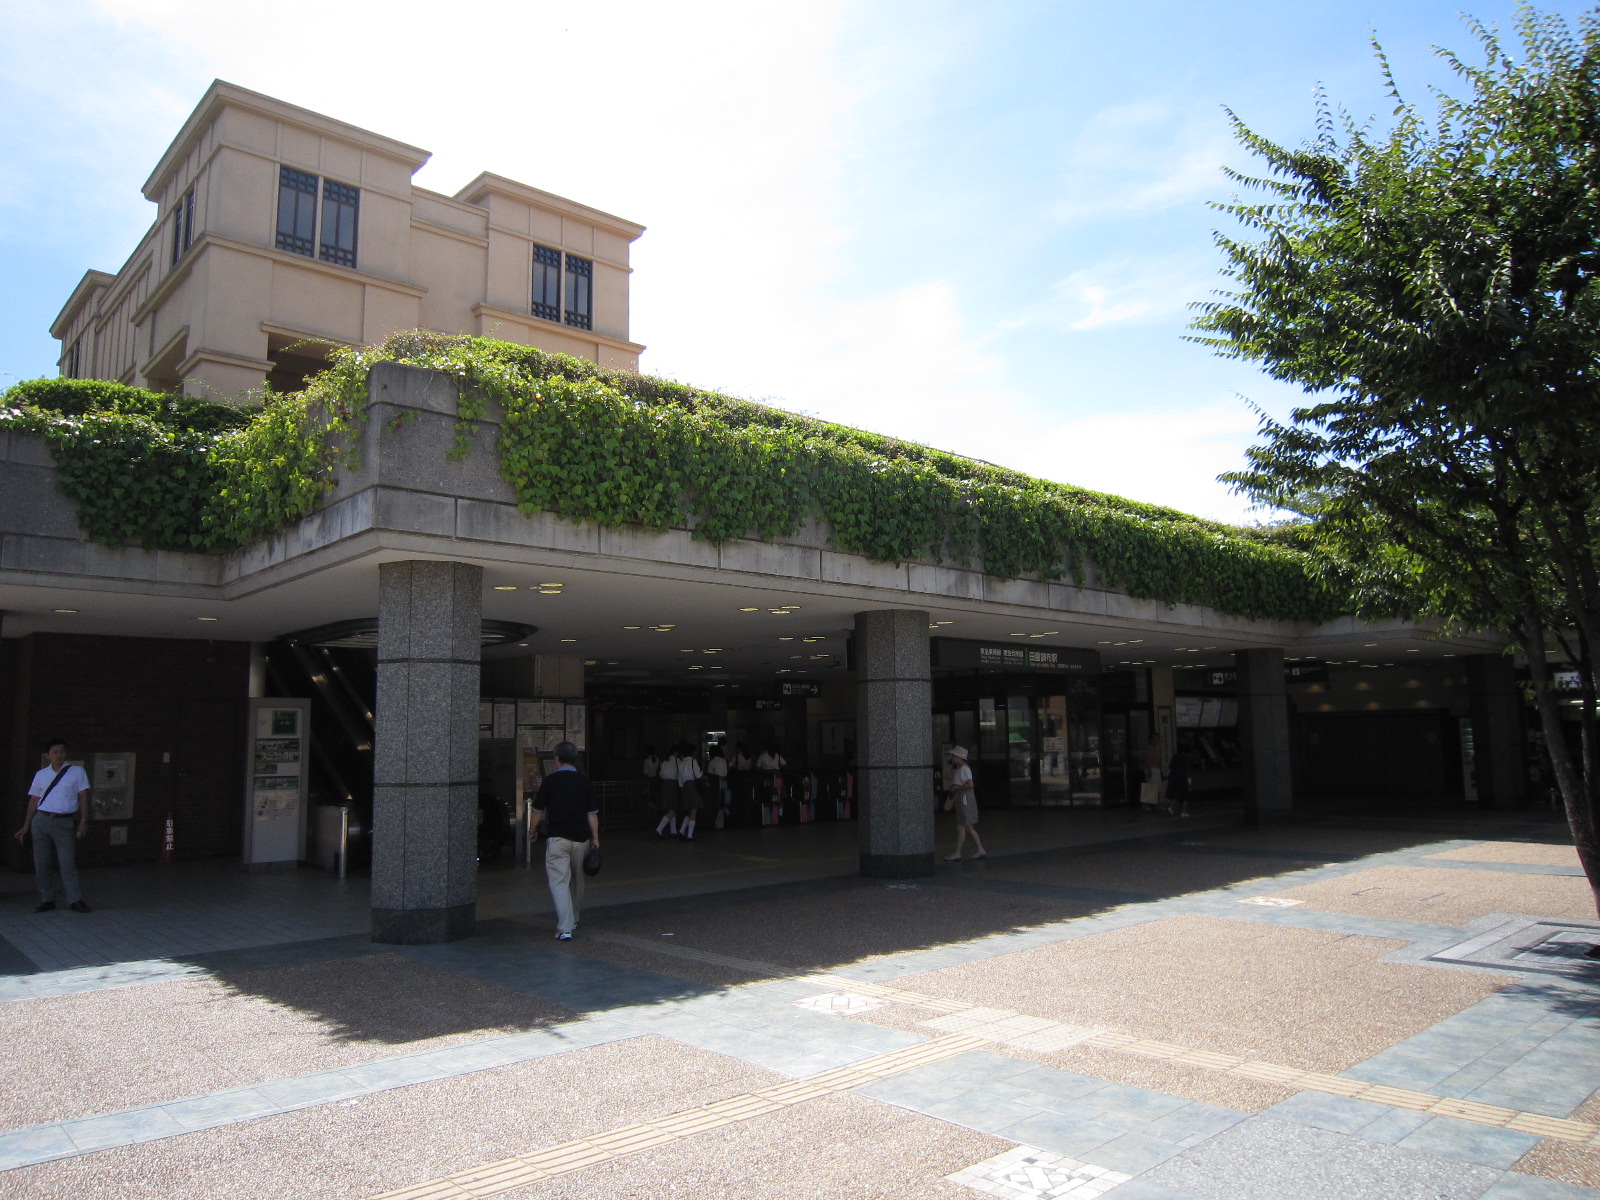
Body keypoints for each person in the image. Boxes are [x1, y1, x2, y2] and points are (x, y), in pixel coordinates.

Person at [528, 742, 597, 941]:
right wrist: (596, 838)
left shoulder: (550, 782)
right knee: (578, 881)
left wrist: (532, 831)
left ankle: (565, 927)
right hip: (581, 839)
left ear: (556, 759)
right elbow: (592, 814)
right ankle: (574, 919)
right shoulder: (584, 782)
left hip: (558, 839)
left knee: (559, 882)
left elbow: (538, 810)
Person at [13, 737, 92, 913]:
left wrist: (84, 821)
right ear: (48, 755)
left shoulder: (77, 772)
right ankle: (47, 898)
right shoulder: (41, 775)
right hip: (41, 820)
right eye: (55, 752)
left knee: (67, 862)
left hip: (64, 821)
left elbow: (84, 796)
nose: (59, 755)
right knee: (41, 862)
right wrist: (26, 825)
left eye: (62, 751)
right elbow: (34, 800)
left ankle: (75, 899)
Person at [943, 745, 986, 861]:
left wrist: (957, 788)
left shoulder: (964, 769)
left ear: (958, 757)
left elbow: (970, 784)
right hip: (961, 797)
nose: (952, 757)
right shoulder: (958, 768)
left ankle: (958, 853)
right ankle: (980, 849)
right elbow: (947, 777)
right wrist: (951, 765)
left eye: (953, 756)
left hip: (964, 798)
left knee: (962, 826)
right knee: (967, 827)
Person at [672, 742, 704, 841]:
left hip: (684, 787)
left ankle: (682, 831)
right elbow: (698, 775)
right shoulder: (693, 762)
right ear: (692, 753)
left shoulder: (681, 764)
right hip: (692, 786)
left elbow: (680, 780)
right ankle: (689, 835)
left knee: (689, 810)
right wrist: (702, 771)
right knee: (694, 809)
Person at [655, 750, 680, 839]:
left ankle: (673, 831)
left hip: (665, 785)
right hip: (673, 785)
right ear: (676, 753)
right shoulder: (677, 761)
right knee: (673, 808)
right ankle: (659, 829)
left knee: (671, 808)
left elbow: (661, 775)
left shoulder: (664, 763)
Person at [1166, 743, 1196, 818]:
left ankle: (1170, 807)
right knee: (1185, 795)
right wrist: (1189, 781)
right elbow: (1188, 770)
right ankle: (1183, 811)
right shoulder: (1187, 758)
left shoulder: (1175, 757)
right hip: (1182, 777)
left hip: (1173, 776)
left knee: (1176, 793)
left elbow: (1171, 766)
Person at [706, 745, 730, 828]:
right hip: (725, 781)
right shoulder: (724, 761)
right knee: (724, 799)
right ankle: (723, 818)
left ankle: (718, 823)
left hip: (716, 783)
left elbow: (709, 775)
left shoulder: (712, 762)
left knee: (717, 802)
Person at [1142, 734, 1165, 810]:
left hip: (1156, 769)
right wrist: (1149, 770)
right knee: (1150, 786)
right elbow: (1147, 760)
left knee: (1158, 787)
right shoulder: (1149, 749)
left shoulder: (1156, 749)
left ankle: (1157, 804)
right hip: (1151, 769)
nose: (1157, 741)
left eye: (1158, 739)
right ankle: (1145, 805)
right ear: (1151, 740)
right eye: (1155, 739)